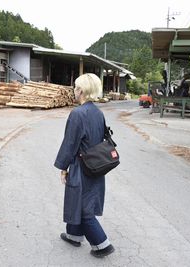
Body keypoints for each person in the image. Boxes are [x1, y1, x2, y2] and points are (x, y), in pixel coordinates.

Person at [54, 73, 115, 258]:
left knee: (82, 206)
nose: (74, 90)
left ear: (80, 90)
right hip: (96, 165)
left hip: (81, 166)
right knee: (82, 200)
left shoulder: (77, 114)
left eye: (75, 87)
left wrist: (63, 167)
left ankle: (102, 244)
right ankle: (74, 235)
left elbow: (70, 144)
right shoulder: (98, 112)